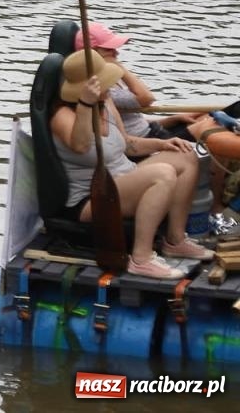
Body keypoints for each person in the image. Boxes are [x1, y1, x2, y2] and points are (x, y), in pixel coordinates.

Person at [48, 48, 212, 279]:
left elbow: (127, 145)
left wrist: (162, 144)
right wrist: (86, 105)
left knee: (186, 155)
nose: (111, 87)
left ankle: (175, 240)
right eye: (105, 83)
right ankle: (141, 259)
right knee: (162, 173)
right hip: (92, 197)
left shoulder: (106, 104)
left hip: (125, 176)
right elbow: (81, 144)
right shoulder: (61, 115)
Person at [75, 20, 240, 235]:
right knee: (209, 130)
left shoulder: (110, 89)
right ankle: (215, 209)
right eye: (109, 49)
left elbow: (134, 123)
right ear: (94, 53)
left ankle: (205, 214)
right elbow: (146, 98)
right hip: (140, 146)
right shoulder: (100, 89)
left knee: (206, 118)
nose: (116, 51)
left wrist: (172, 119)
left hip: (149, 132)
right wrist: (119, 69)